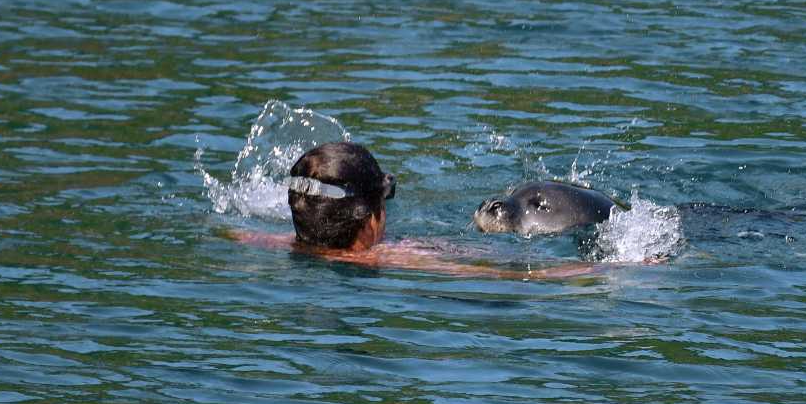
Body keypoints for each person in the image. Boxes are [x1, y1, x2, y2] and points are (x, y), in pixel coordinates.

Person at [228, 141, 592, 279]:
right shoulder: (403, 257)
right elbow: (519, 274)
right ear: (370, 220)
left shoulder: (273, 242)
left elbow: (236, 233)